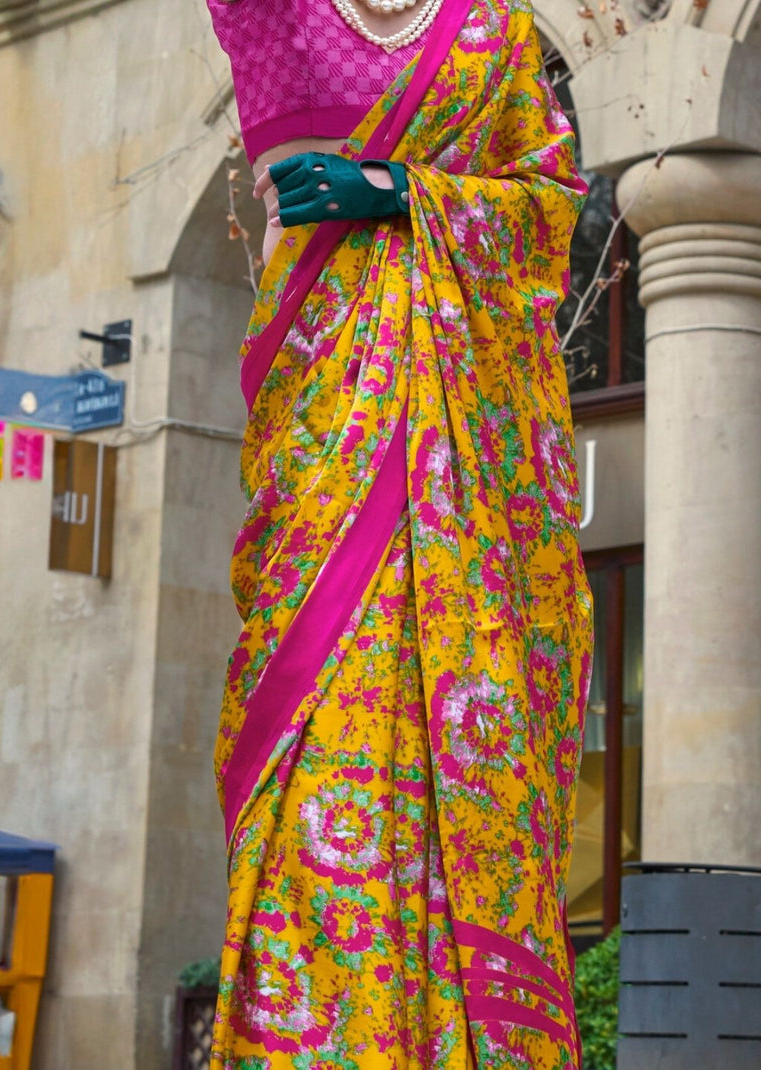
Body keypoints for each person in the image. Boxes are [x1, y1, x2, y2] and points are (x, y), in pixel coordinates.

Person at [204, 0, 594, 1067]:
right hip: (323, 418)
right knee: (318, 715)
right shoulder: (276, 15)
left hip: (464, 459)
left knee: (464, 726)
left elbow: (551, 205)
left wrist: (390, 192)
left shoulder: (489, 34)